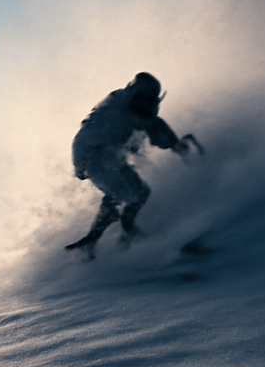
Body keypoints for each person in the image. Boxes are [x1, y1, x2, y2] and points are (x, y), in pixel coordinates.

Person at [65, 72, 193, 257]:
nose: (151, 105)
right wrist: (176, 145)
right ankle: (128, 232)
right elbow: (154, 127)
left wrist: (171, 144)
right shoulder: (121, 112)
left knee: (127, 193)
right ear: (138, 97)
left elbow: (144, 127)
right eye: (148, 101)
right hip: (94, 160)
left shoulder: (125, 102)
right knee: (137, 194)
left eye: (152, 101)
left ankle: (93, 240)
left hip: (106, 156)